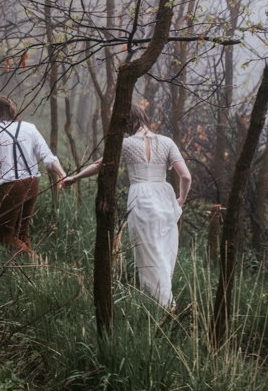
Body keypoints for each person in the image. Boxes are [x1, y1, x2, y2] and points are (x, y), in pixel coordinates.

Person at [60, 105, 191, 309]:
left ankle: (163, 305)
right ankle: (164, 302)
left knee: (148, 252)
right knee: (164, 252)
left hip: (141, 196)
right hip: (165, 198)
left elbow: (99, 165)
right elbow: (186, 176)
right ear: (144, 118)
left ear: (126, 122)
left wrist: (74, 177)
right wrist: (181, 199)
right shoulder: (167, 142)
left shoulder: (125, 144)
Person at [0, 96, 66, 254]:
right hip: (33, 183)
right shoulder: (29, 128)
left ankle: (35, 262)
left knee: (5, 235)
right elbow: (47, 155)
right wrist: (62, 173)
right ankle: (29, 273)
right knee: (20, 233)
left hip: (11, 187)